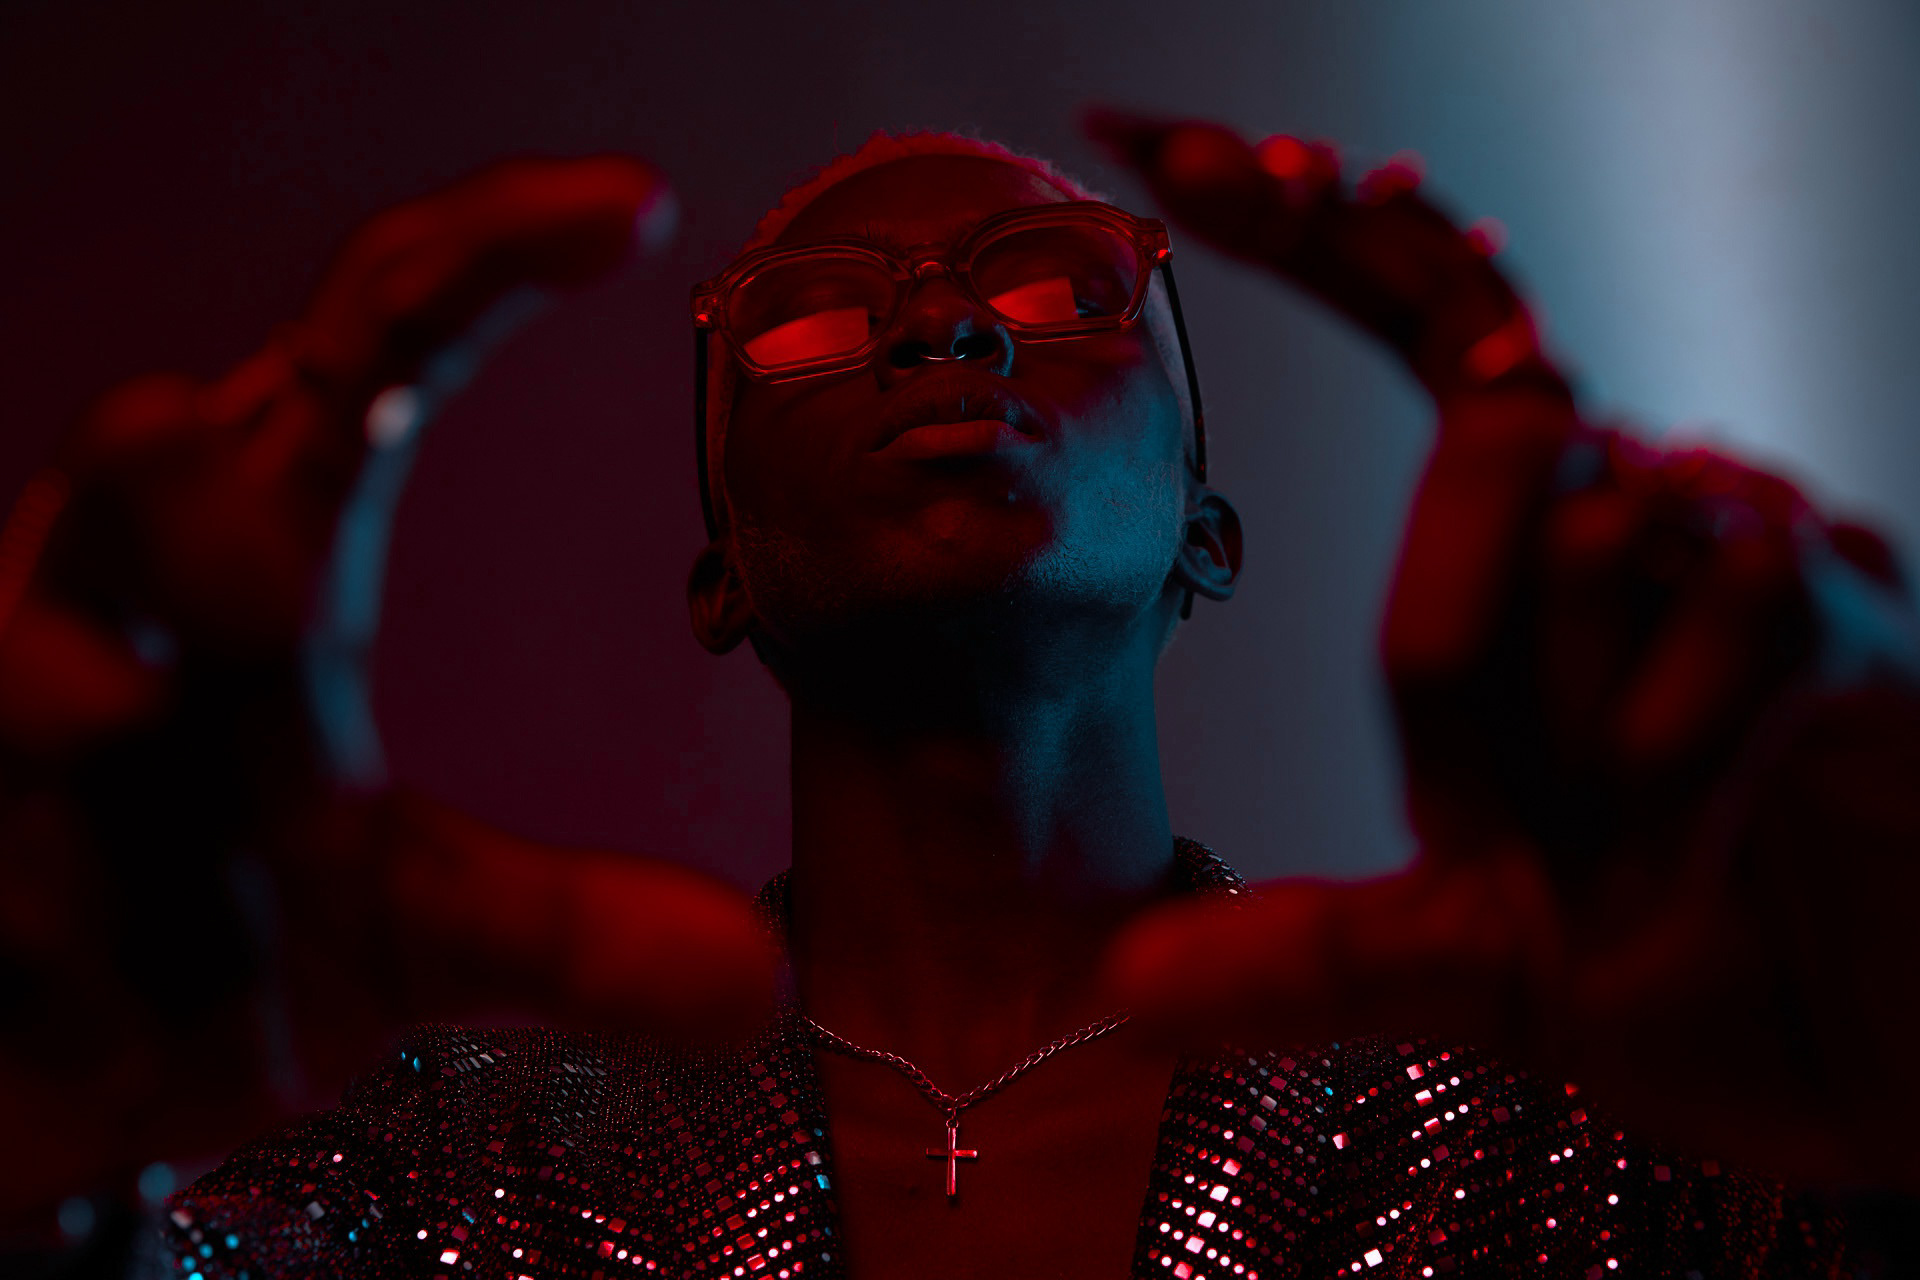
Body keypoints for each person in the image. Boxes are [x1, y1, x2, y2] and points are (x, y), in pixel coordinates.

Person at [1, 108, 1916, 1278]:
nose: (937, 322)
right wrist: (41, 1158)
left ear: (1207, 532)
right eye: (816, 316)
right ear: (721, 573)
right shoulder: (448, 1157)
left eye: (1060, 286)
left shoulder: (1581, 1119)